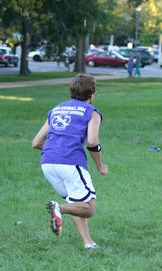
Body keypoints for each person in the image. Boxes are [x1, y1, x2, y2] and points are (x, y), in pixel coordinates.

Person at [32, 74, 108, 249]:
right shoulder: (92, 112)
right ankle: (58, 208)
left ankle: (88, 243)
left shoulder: (56, 109)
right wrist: (100, 166)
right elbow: (93, 142)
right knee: (89, 208)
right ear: (92, 93)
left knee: (77, 202)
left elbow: (36, 143)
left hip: (48, 163)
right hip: (71, 163)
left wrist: (55, 151)